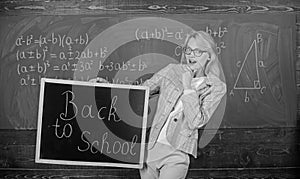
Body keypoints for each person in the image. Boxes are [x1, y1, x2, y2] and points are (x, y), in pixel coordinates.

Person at [90, 31, 226, 179]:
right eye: (188, 50)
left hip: (177, 153)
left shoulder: (216, 86)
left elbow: (196, 121)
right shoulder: (172, 70)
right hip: (151, 151)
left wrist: (188, 87)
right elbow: (142, 91)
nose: (191, 55)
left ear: (209, 56)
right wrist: (108, 87)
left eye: (197, 51)